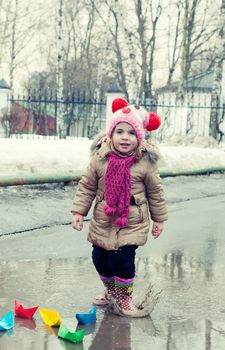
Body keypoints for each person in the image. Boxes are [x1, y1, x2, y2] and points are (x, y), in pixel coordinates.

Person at [71, 98, 168, 317]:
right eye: (120, 131)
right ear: (110, 134)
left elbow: (156, 192)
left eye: (132, 133)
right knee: (100, 258)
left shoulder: (145, 162)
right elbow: (86, 186)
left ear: (140, 137)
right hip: (103, 220)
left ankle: (124, 298)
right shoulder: (99, 158)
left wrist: (159, 219)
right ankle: (111, 291)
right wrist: (79, 212)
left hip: (132, 221)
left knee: (122, 260)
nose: (125, 137)